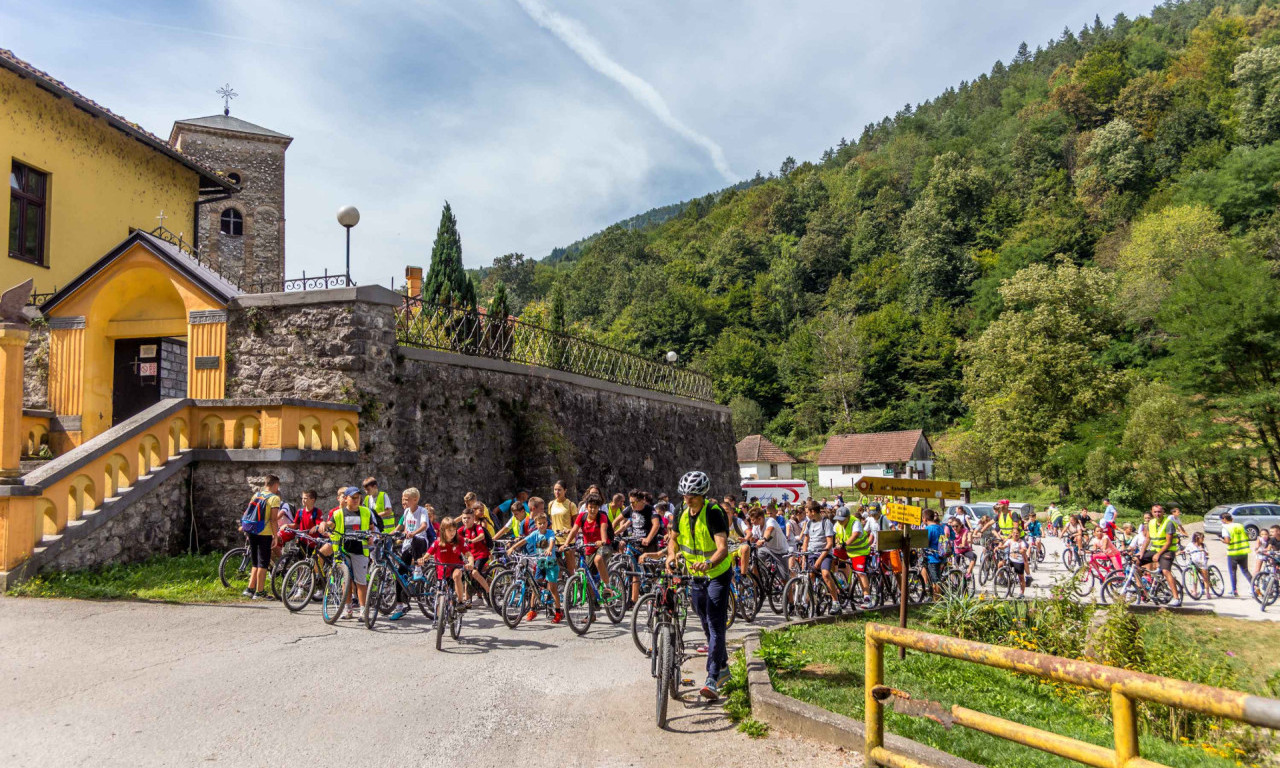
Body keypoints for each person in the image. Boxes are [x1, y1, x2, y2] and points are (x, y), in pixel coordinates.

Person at [666, 470, 732, 701]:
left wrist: (709, 562)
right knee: (704, 622)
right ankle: (723, 667)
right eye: (685, 495)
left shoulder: (714, 513)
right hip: (695, 576)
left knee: (715, 624)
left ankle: (712, 679)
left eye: (692, 495)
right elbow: (673, 539)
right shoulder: (681, 512)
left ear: (703, 494)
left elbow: (722, 548)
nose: (687, 499)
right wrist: (670, 556)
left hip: (717, 574)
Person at [328, 486, 374, 618]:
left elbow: (371, 527)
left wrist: (371, 537)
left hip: (360, 551)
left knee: (361, 582)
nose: (355, 500)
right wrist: (323, 526)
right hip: (343, 550)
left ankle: (363, 610)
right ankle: (347, 609)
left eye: (358, 498)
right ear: (346, 498)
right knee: (345, 581)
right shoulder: (338, 513)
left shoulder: (366, 512)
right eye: (352, 498)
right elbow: (329, 525)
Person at [508, 512, 562, 622]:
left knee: (553, 588)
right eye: (539, 523)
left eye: (544, 523)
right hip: (540, 563)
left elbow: (551, 542)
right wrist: (513, 547)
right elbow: (524, 541)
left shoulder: (550, 533)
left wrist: (549, 549)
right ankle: (532, 610)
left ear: (547, 523)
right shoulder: (535, 534)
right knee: (535, 586)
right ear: (536, 525)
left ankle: (558, 612)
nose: (542, 525)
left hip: (550, 563)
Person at [561, 494, 615, 597]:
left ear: (598, 508)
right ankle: (593, 605)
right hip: (589, 548)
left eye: (595, 507)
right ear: (586, 507)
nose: (593, 510)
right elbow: (574, 530)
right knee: (588, 576)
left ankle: (607, 587)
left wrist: (602, 541)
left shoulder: (602, 516)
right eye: (590, 507)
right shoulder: (582, 516)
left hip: (604, 546)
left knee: (598, 560)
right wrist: (566, 544)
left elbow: (603, 529)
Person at [242, 475, 283, 600]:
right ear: (275, 485)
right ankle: (259, 592)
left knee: (255, 561)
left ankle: (250, 589)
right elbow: (273, 519)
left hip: (252, 531)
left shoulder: (257, 495)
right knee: (263, 563)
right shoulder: (274, 498)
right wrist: (275, 536)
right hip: (264, 533)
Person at [800, 499, 841, 615]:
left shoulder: (826, 522)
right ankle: (806, 602)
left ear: (813, 512)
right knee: (809, 576)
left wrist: (820, 559)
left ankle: (835, 602)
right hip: (812, 552)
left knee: (825, 574)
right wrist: (804, 556)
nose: (806, 514)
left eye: (807, 512)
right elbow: (806, 540)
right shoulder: (809, 523)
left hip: (824, 553)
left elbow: (829, 543)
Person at [1142, 505, 1182, 607]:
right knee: (1136, 561)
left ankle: (1176, 598)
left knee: (1165, 571)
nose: (1157, 514)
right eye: (1155, 512)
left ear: (1163, 512)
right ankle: (1142, 590)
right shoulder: (1150, 523)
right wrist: (1141, 552)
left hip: (1167, 551)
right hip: (1155, 549)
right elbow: (1147, 539)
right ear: (1152, 512)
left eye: (1159, 512)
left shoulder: (1169, 523)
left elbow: (1168, 542)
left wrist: (1158, 554)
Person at [424, 517, 469, 608]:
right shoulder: (437, 542)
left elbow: (469, 554)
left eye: (454, 530)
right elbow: (428, 554)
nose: (452, 532)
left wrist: (470, 563)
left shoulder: (459, 540)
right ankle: (440, 617)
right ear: (443, 530)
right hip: (442, 571)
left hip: (456, 567)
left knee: (456, 576)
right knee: (441, 598)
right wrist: (422, 560)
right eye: (449, 530)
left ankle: (461, 602)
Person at [401, 488, 435, 582]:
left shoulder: (422, 511)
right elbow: (405, 529)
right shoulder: (406, 511)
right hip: (409, 543)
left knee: (416, 540)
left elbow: (424, 525)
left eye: (406, 499)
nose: (404, 502)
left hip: (421, 541)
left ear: (415, 499)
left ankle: (418, 568)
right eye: (403, 499)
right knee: (401, 572)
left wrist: (413, 533)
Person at [459, 507, 492, 602]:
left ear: (473, 518)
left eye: (469, 518)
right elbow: (454, 537)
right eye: (464, 518)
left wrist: (471, 541)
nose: (466, 520)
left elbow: (482, 536)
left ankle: (489, 593)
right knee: (466, 575)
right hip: (470, 556)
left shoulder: (477, 527)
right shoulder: (462, 530)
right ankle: (467, 600)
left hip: (482, 554)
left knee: (474, 572)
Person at [548, 481, 578, 574]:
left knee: (571, 570)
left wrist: (569, 530)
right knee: (557, 570)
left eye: (559, 490)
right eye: (555, 490)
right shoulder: (551, 504)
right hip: (555, 539)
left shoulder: (571, 505)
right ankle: (561, 587)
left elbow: (577, 524)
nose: (557, 492)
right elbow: (551, 522)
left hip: (568, 540)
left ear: (565, 491)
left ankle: (573, 587)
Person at [923, 508, 947, 599]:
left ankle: (937, 600)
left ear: (925, 519)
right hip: (940, 556)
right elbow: (943, 542)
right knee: (936, 577)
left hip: (932, 557)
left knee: (935, 580)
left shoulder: (928, 529)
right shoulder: (940, 527)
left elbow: (925, 542)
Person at [1005, 524, 1028, 597]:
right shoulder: (1009, 541)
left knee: (1021, 577)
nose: (1015, 534)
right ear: (1011, 534)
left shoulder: (1021, 542)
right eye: (1014, 533)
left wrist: (1022, 550)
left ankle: (1022, 593)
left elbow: (1024, 548)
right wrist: (998, 548)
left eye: (1017, 533)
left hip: (1018, 561)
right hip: (1011, 560)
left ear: (1020, 534)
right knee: (1002, 564)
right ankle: (1004, 578)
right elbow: (1003, 546)